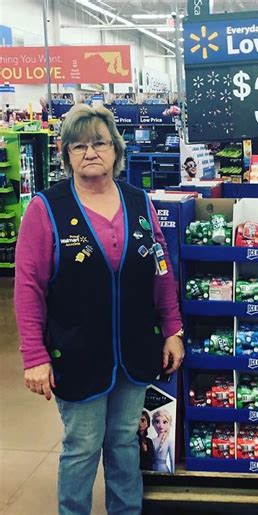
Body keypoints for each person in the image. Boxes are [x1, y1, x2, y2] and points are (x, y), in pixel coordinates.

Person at [14, 104, 184, 515]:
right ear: (66, 153)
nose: (91, 152)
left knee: (125, 440)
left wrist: (173, 328)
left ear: (115, 149)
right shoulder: (46, 208)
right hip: (76, 352)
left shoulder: (139, 201)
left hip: (134, 349)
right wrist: (34, 356)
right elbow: (28, 287)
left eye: (100, 143)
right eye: (79, 146)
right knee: (82, 446)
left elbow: (160, 268)